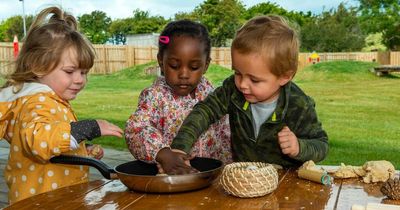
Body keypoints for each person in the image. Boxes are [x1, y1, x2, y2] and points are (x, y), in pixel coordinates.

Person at [156, 15, 329, 174]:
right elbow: (204, 111)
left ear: (285, 76)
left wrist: (299, 147)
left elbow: (321, 145)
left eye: (254, 80)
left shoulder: (299, 105)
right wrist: (179, 148)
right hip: (243, 179)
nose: (243, 85)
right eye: (238, 73)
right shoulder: (233, 90)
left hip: (287, 184)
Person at [0, 7, 123, 204]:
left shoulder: (49, 99)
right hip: (40, 202)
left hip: (56, 199)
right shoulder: (36, 102)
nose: (79, 80)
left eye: (83, 72)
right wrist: (87, 128)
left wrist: (82, 149)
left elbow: (55, 138)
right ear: (38, 66)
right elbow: (39, 141)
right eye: (70, 71)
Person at [125, 20, 232, 167]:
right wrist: (164, 154)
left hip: (211, 177)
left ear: (206, 65)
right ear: (161, 61)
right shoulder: (155, 96)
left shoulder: (212, 95)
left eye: (194, 67)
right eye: (174, 66)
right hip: (172, 180)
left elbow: (226, 134)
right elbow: (136, 130)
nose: (183, 74)